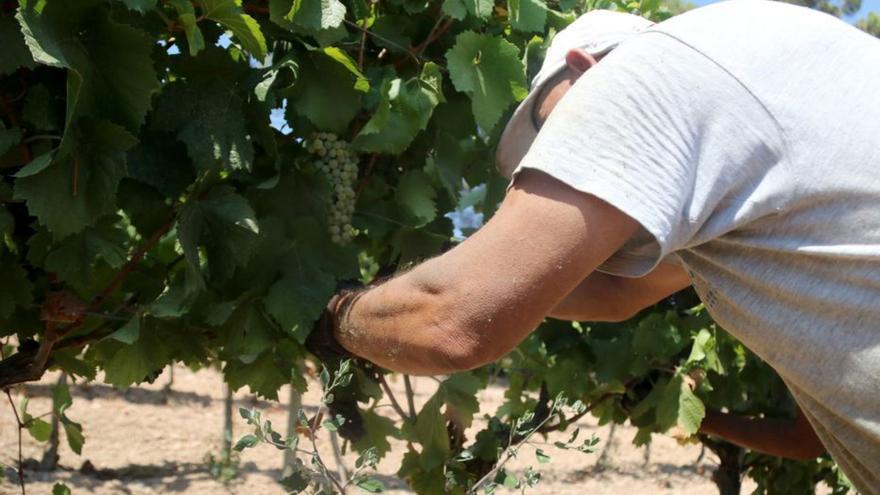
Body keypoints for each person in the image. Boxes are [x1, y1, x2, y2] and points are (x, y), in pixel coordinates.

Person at [312, 1, 880, 491]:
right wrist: (517, 271)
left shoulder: (646, 72)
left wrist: (338, 316)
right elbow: (615, 295)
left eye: (543, 128)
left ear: (584, 68)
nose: (543, 159)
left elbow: (451, 322)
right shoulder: (788, 87)